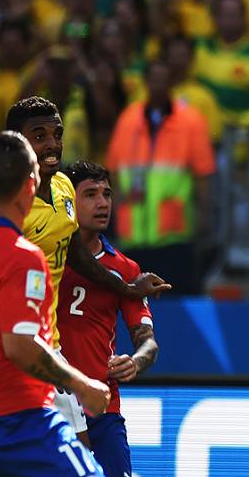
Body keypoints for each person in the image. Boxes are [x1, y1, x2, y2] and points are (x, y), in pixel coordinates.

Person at [7, 96, 171, 447]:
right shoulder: (7, 204)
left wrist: (127, 287)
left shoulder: (63, 187)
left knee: (78, 451)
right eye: (39, 135)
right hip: (14, 346)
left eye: (57, 134)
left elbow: (77, 255)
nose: (52, 144)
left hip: (48, 346)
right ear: (16, 141)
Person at [0, 131, 108, 476]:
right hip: (18, 423)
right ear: (30, 185)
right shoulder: (23, 257)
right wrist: (83, 385)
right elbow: (22, 345)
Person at [59, 161, 159, 477]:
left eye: (107, 194)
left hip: (101, 408)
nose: (103, 203)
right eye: (90, 194)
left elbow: (148, 341)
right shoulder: (47, 255)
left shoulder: (127, 269)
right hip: (50, 403)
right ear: (67, 201)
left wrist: (137, 361)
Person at [107, 60, 215, 294]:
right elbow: (113, 169)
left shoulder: (190, 121)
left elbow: (203, 173)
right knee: (134, 309)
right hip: (133, 234)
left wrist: (204, 215)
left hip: (173, 234)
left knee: (176, 304)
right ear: (145, 82)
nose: (158, 85)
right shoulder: (128, 119)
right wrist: (115, 205)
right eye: (153, 79)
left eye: (163, 79)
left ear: (172, 82)